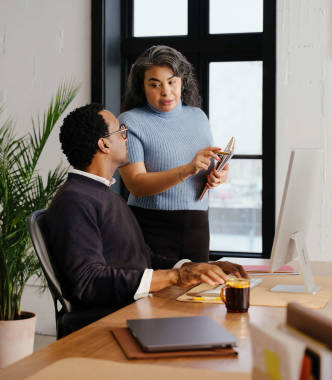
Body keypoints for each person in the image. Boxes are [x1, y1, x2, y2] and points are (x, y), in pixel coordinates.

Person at [44, 103, 247, 312]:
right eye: (121, 132)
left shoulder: (105, 196)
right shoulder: (75, 201)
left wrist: (194, 268)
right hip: (111, 321)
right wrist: (174, 277)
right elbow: (88, 282)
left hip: (136, 309)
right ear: (104, 144)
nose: (126, 138)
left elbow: (144, 259)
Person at [119, 45, 229, 263]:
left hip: (198, 224)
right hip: (151, 226)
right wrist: (188, 169)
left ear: (182, 81)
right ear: (142, 87)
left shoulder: (198, 116)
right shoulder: (129, 122)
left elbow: (211, 167)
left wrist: (219, 176)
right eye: (155, 84)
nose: (166, 91)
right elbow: (136, 185)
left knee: (195, 295)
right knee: (153, 296)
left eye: (172, 82)